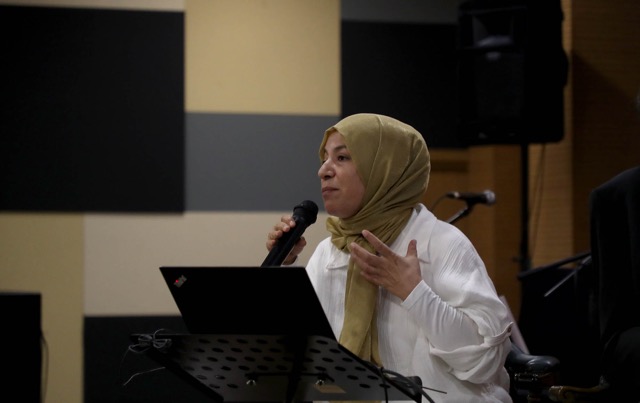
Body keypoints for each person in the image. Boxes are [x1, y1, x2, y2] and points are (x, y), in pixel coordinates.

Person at [266, 113, 513, 402]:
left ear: (384, 168)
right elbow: (293, 350)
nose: (323, 171)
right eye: (324, 159)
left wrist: (415, 293)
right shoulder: (329, 251)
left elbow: (484, 362)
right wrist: (283, 267)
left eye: (342, 158)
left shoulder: (441, 243)